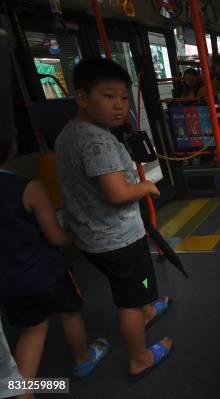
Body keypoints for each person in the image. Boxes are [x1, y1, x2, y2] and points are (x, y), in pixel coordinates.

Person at [55, 58, 173, 381]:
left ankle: (147, 308)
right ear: (82, 98)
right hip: (119, 239)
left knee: (135, 284)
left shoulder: (69, 134)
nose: (120, 106)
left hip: (91, 238)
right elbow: (117, 193)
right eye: (109, 97)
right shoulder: (96, 140)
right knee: (129, 300)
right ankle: (140, 356)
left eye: (123, 97)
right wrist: (146, 186)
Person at [0, 132, 110, 395]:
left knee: (33, 330)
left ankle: (23, 392)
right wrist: (72, 237)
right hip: (47, 273)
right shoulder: (28, 188)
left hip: (9, 281)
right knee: (70, 314)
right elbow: (55, 236)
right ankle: (83, 360)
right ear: (11, 146)